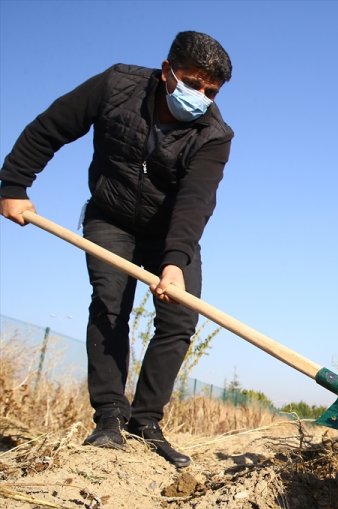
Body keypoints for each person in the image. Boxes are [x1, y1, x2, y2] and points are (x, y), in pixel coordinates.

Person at [0, 31, 234, 467]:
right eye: (192, 83)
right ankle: (109, 418)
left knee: (180, 318)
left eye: (211, 91)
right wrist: (14, 185)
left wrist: (174, 261)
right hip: (110, 217)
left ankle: (144, 423)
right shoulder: (117, 86)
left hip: (169, 232)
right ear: (167, 71)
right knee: (110, 303)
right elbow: (49, 128)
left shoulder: (214, 135)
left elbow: (195, 202)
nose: (200, 97)